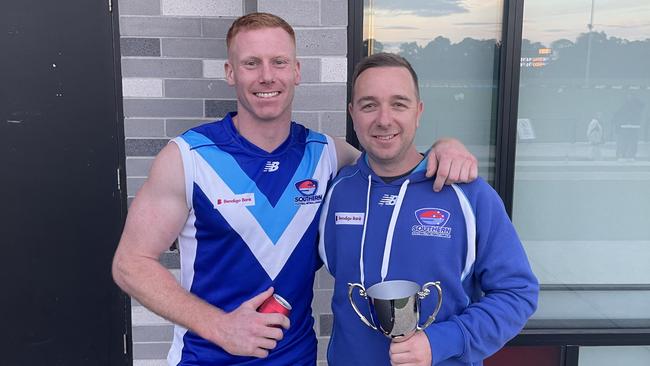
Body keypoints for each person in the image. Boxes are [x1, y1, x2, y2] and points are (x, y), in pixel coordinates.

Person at [112, 13, 478, 366]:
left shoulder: (329, 156)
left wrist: (444, 147)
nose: (267, 76)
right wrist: (219, 326)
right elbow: (130, 264)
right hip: (205, 359)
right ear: (230, 72)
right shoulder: (188, 157)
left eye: (279, 62)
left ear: (297, 71)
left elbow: (395, 163)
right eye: (251, 63)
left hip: (296, 359)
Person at [318, 53, 538, 366]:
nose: (384, 119)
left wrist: (442, 341)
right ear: (353, 114)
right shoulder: (337, 191)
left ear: (418, 111)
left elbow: (518, 293)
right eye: (369, 105)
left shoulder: (468, 194)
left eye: (399, 104)